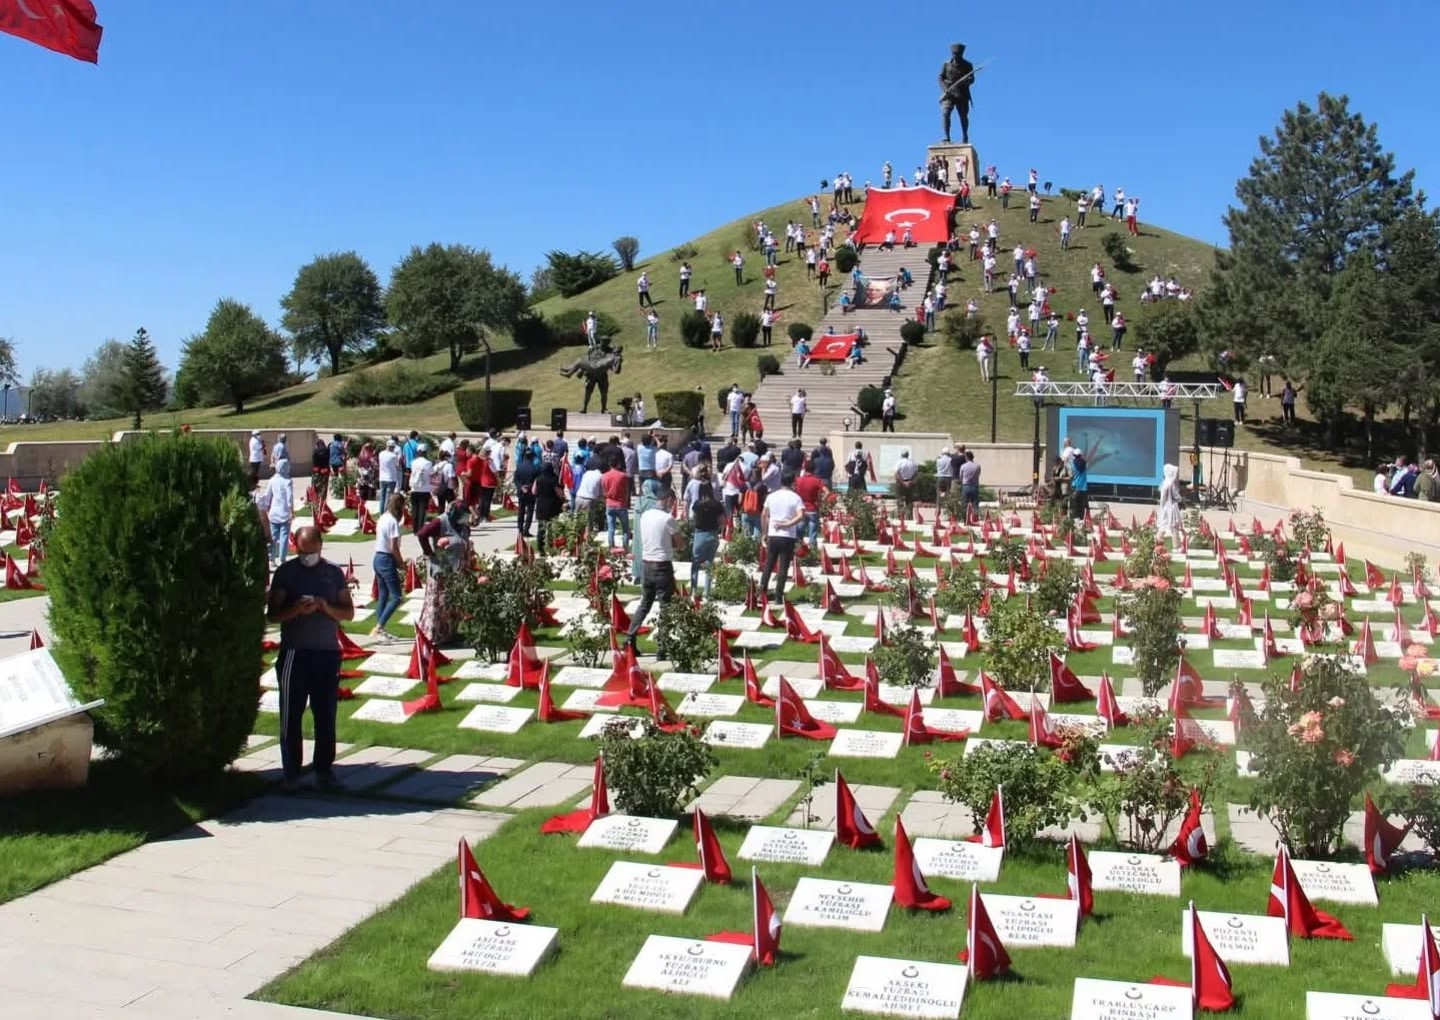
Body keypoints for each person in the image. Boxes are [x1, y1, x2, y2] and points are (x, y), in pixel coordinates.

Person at [266, 525, 354, 793]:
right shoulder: (287, 573)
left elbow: (347, 612)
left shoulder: (332, 573)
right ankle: (291, 772)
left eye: (312, 551)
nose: (307, 556)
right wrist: (295, 610)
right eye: (303, 552)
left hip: (326, 653)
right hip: (295, 651)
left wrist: (325, 606)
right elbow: (273, 614)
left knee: (325, 714)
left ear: (320, 546)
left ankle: (324, 771)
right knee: (291, 713)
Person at [626, 486, 683, 652]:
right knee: (665, 606)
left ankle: (630, 637)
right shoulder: (667, 518)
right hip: (662, 565)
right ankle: (662, 647)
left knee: (645, 603)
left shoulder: (645, 516)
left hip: (647, 564)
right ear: (668, 500)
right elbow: (680, 544)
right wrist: (669, 542)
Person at [416, 501, 471, 645]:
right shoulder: (440, 522)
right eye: (462, 516)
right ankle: (433, 635)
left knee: (451, 605)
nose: (464, 519)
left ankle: (449, 634)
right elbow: (422, 534)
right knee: (437, 604)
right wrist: (430, 553)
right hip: (441, 571)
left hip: (456, 571)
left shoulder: (463, 526)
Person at [758, 471, 806, 603]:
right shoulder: (795, 497)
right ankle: (779, 596)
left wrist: (764, 533)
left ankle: (762, 592)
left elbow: (763, 515)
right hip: (788, 536)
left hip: (773, 534)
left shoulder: (771, 496)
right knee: (783, 567)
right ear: (792, 483)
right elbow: (801, 515)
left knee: (769, 564)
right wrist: (788, 524)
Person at [371, 493, 406, 639]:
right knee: (397, 597)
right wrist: (401, 563)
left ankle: (380, 627)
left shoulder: (383, 517)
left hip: (377, 557)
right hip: (386, 559)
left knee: (384, 595)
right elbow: (394, 547)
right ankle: (379, 627)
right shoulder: (392, 522)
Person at [256, 458, 295, 567]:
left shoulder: (272, 480)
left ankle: (271, 559)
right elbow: (289, 498)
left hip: (274, 512)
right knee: (284, 537)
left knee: (273, 536)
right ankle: (282, 559)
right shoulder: (287, 481)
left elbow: (267, 495)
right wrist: (292, 511)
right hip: (284, 512)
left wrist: (266, 506)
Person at [690, 482, 724, 597]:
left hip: (700, 534)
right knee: (709, 563)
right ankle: (707, 591)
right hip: (713, 534)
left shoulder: (697, 504)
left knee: (695, 562)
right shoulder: (716, 505)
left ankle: (694, 590)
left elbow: (693, 518)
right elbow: (721, 521)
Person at [602, 451, 631, 549]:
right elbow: (627, 490)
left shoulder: (604, 476)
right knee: (625, 528)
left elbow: (604, 491)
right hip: (621, 503)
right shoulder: (623, 476)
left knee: (611, 528)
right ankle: (625, 546)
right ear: (618, 464)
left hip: (610, 503)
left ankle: (611, 546)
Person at [534, 461, 565, 551]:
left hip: (541, 505)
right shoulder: (554, 479)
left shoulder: (538, 479)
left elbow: (534, 491)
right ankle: (551, 546)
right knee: (552, 527)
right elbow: (559, 493)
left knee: (541, 528)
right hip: (552, 505)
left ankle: (540, 548)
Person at [512, 445, 539, 537]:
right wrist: (528, 487)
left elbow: (515, 480)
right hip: (531, 492)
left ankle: (520, 529)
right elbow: (537, 481)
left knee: (521, 511)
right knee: (530, 512)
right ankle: (526, 529)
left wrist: (521, 487)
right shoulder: (535, 468)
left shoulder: (519, 467)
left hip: (522, 492)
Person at [408, 443, 433, 532]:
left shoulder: (413, 462)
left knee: (415, 509)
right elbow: (431, 473)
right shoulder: (428, 463)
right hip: (425, 489)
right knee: (422, 509)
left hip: (414, 488)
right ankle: (420, 528)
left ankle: (415, 527)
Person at [1157, 463, 1182, 540]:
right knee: (1174, 526)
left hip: (1164, 507)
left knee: (1163, 525)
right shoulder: (1171, 484)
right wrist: (1181, 499)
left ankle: (1158, 540)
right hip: (1172, 507)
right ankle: (1176, 544)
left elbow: (1162, 497)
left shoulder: (1164, 482)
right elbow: (1176, 495)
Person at [957, 450, 981, 523]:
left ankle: (965, 519)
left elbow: (960, 477)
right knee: (975, 504)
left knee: (964, 504)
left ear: (967, 457)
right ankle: (975, 519)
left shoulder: (963, 466)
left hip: (966, 486)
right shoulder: (977, 466)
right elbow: (978, 475)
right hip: (974, 486)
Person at [893, 448, 918, 515]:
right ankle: (909, 516)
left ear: (901, 455)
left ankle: (900, 516)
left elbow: (896, 474)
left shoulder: (899, 462)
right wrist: (910, 482)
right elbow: (916, 474)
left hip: (900, 483)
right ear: (908, 455)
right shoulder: (913, 463)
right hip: (910, 483)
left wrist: (903, 482)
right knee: (909, 501)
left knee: (899, 500)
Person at [1069, 451, 1089, 520]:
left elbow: (1071, 474)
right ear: (1080, 455)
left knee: (1074, 504)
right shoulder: (1085, 463)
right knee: (1082, 505)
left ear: (1074, 455)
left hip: (1075, 486)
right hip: (1083, 487)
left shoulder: (1073, 464)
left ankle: (1074, 518)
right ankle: (1082, 518)